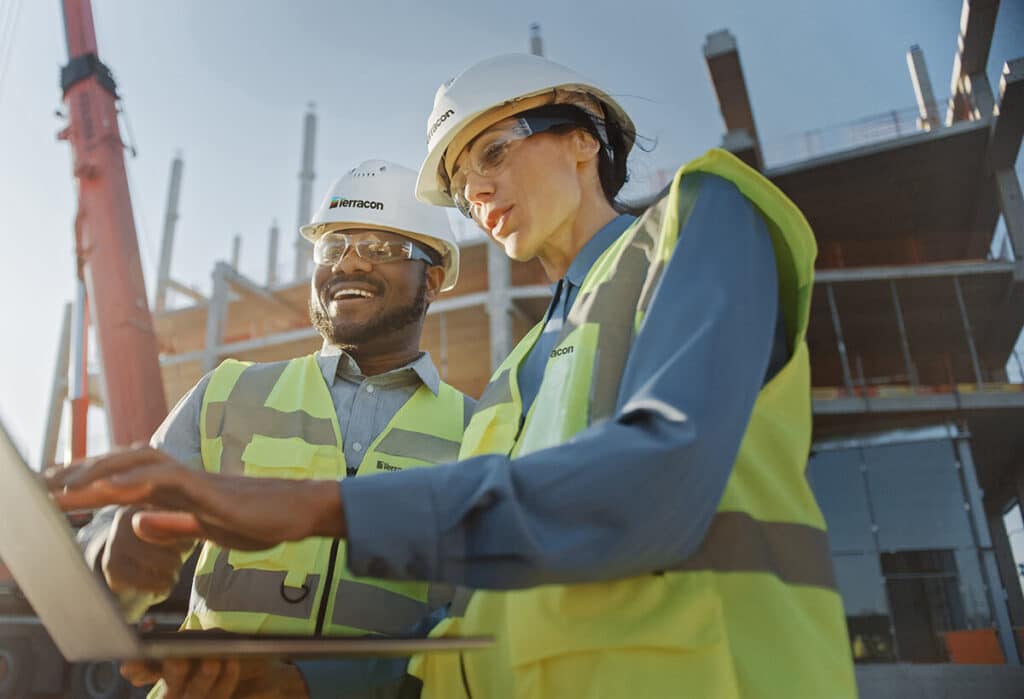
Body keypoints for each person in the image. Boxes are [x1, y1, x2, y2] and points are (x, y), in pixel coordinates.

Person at [53, 54, 857, 698]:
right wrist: (295, 681)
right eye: (464, 182)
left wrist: (310, 505)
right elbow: (459, 628)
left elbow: (658, 483)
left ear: (582, 137)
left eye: (494, 151)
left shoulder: (698, 219)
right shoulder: (512, 384)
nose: (478, 190)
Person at [73, 160, 472, 698]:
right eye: (333, 248)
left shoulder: (480, 431)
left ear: (433, 280)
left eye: (381, 248)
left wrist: (315, 684)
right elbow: (114, 530)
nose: (349, 263)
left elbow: (474, 620)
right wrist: (110, 554)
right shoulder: (228, 393)